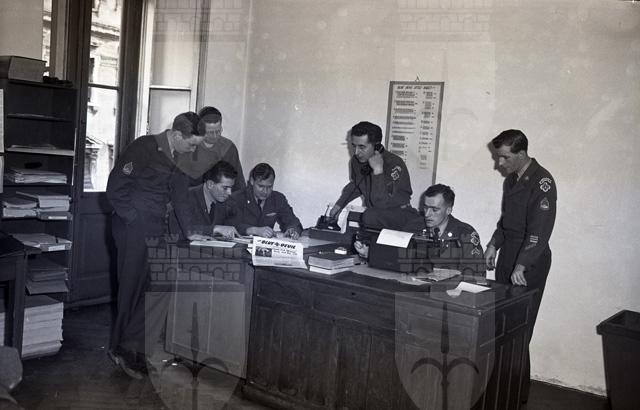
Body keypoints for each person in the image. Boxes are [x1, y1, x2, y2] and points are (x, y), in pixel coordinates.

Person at [106, 111, 203, 379]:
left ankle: (133, 345)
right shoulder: (144, 147)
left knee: (162, 284)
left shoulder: (181, 156)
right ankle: (122, 351)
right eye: (191, 144)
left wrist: (190, 232)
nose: (193, 149)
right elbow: (115, 186)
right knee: (131, 287)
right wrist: (132, 218)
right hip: (133, 228)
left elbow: (181, 197)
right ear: (176, 135)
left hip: (157, 228)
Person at [484, 129, 557, 403]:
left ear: (522, 153)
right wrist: (493, 244)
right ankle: (503, 386)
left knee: (520, 327)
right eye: (498, 157)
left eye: (504, 157)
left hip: (530, 261)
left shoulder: (543, 182)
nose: (499, 163)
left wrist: (522, 264)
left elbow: (539, 231)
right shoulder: (512, 180)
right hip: (509, 255)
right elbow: (507, 220)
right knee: (503, 323)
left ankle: (516, 391)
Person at [354, 184, 485, 275]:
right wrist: (369, 253)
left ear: (448, 210)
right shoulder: (414, 226)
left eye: (434, 210)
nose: (427, 214)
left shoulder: (465, 234)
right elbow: (396, 259)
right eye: (425, 207)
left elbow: (476, 274)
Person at [329, 121, 417, 230]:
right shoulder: (356, 161)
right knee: (367, 218)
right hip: (375, 218)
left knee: (368, 216)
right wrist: (339, 205)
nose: (356, 152)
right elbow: (357, 185)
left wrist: (378, 171)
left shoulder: (394, 163)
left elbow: (381, 203)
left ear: (376, 146)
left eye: (362, 147)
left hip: (399, 216)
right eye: (354, 146)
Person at [177, 106, 245, 192]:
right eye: (210, 132)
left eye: (218, 131)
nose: (215, 136)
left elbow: (238, 183)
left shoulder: (228, 148)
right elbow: (178, 183)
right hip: (193, 196)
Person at [227, 163, 302, 239]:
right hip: (240, 245)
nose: (265, 191)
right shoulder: (237, 198)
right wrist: (254, 230)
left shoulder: (278, 199)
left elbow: (293, 222)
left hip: (266, 245)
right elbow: (230, 225)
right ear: (252, 181)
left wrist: (292, 229)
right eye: (261, 186)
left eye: (269, 187)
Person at [169, 161, 239, 240]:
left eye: (231, 187)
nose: (229, 193)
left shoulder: (226, 201)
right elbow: (176, 232)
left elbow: (233, 225)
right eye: (225, 188)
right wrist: (214, 229)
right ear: (210, 184)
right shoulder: (185, 198)